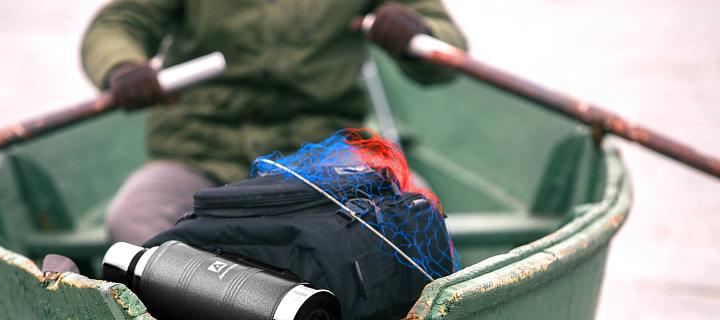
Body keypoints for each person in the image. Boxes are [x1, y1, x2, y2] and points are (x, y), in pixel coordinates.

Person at [81, 0, 467, 245]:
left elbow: (447, 47)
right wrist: (121, 65)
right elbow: (118, 23)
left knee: (417, 217)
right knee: (133, 221)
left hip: (322, 151)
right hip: (200, 149)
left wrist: (417, 32)